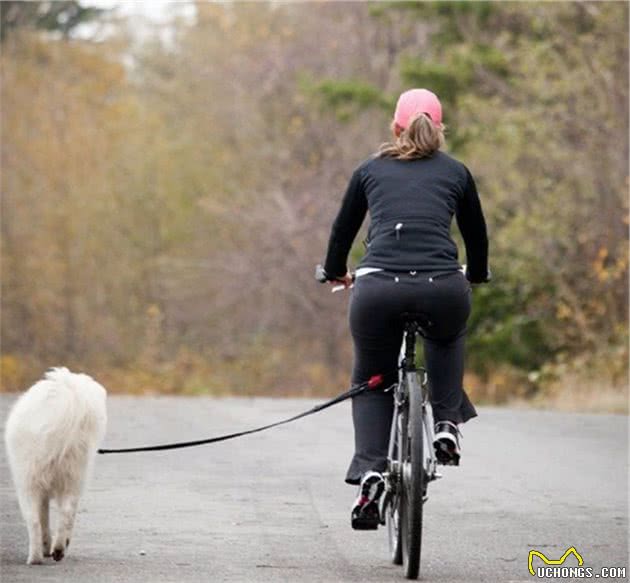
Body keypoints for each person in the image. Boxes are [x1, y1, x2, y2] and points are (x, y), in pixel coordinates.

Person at [321, 88, 490, 530]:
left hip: (377, 290)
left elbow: (342, 234)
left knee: (371, 381)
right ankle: (446, 425)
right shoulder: (457, 172)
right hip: (442, 287)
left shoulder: (369, 170)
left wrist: (336, 271)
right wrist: (476, 275)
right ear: (440, 129)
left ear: (396, 128)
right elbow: (477, 236)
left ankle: (371, 472)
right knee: (447, 334)